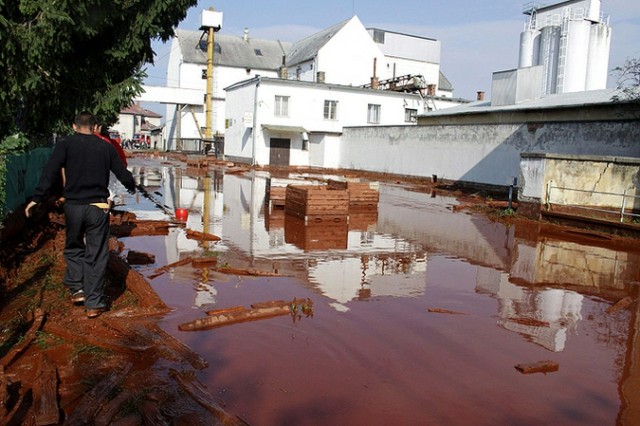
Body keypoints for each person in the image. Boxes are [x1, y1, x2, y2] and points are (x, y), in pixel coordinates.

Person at [25, 111, 136, 318]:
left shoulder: (66, 144)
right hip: (98, 207)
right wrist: (132, 186)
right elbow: (122, 173)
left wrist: (37, 198)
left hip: (73, 207)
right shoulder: (105, 147)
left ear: (74, 126)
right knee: (96, 253)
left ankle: (77, 291)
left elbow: (50, 171)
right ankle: (94, 303)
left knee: (74, 246)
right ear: (94, 127)